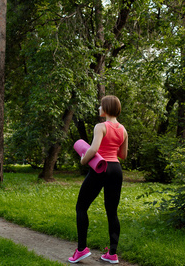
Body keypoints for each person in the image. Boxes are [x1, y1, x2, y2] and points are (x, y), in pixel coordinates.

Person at [68, 95, 128, 264]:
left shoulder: (101, 126)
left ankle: (81, 250)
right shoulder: (123, 130)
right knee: (112, 211)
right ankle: (112, 254)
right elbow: (123, 155)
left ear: (107, 108)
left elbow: (93, 149)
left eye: (100, 106)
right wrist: (111, 148)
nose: (99, 109)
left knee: (81, 207)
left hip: (101, 168)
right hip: (116, 169)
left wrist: (83, 160)